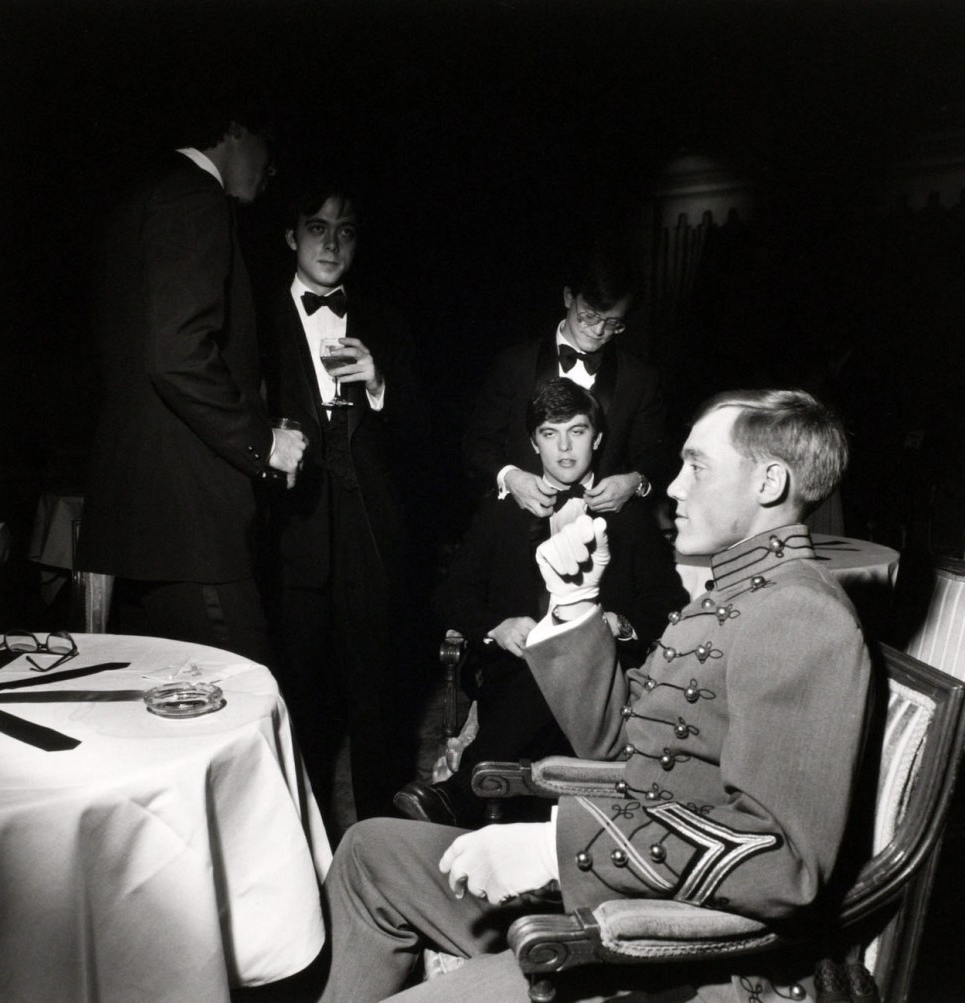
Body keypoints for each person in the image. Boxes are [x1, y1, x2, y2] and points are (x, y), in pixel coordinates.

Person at [320, 388, 873, 1003]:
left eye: (697, 466)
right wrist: (577, 604)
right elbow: (618, 745)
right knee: (369, 849)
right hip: (622, 883)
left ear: (769, 482)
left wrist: (554, 849)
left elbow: (785, 863)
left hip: (672, 951)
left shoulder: (800, 615)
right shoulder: (732, 596)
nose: (673, 487)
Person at [77, 94, 305, 666]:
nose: (271, 167)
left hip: (141, 519)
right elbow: (176, 354)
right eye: (267, 146)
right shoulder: (194, 196)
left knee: (159, 713)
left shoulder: (139, 197)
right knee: (250, 698)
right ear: (233, 129)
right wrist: (265, 442)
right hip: (190, 522)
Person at [395, 379, 684, 829]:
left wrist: (619, 625)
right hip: (513, 671)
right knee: (545, 663)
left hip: (601, 676)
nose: (565, 447)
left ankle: (458, 794)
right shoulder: (501, 511)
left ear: (599, 438)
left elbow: (669, 603)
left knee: (566, 659)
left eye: (578, 431)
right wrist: (497, 626)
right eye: (551, 433)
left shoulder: (628, 514)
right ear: (533, 443)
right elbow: (451, 595)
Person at [262, 176, 429, 823]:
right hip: (290, 542)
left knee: (379, 717)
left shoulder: (385, 321)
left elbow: (423, 438)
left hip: (372, 546)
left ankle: (380, 869)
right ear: (289, 235)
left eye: (347, 229)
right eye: (317, 226)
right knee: (298, 713)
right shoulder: (257, 315)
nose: (332, 243)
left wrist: (381, 384)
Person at [463, 241, 669, 517]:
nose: (598, 331)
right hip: (519, 524)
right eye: (589, 316)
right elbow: (478, 443)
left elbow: (656, 457)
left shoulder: (640, 378)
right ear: (569, 298)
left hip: (606, 529)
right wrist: (510, 477)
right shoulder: (514, 363)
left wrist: (635, 482)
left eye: (613, 323)